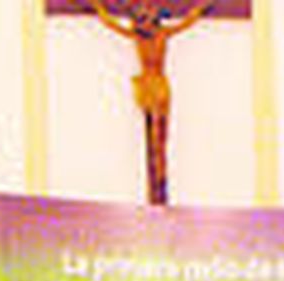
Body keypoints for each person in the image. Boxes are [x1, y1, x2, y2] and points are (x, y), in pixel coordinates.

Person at [87, 0, 211, 205]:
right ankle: (155, 187)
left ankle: (160, 185)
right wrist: (97, 7)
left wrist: (203, 7)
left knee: (161, 136)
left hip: (160, 86)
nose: (144, 21)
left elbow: (189, 20)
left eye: (148, 16)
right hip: (147, 86)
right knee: (152, 136)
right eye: (141, 17)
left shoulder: (163, 34)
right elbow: (110, 22)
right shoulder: (136, 36)